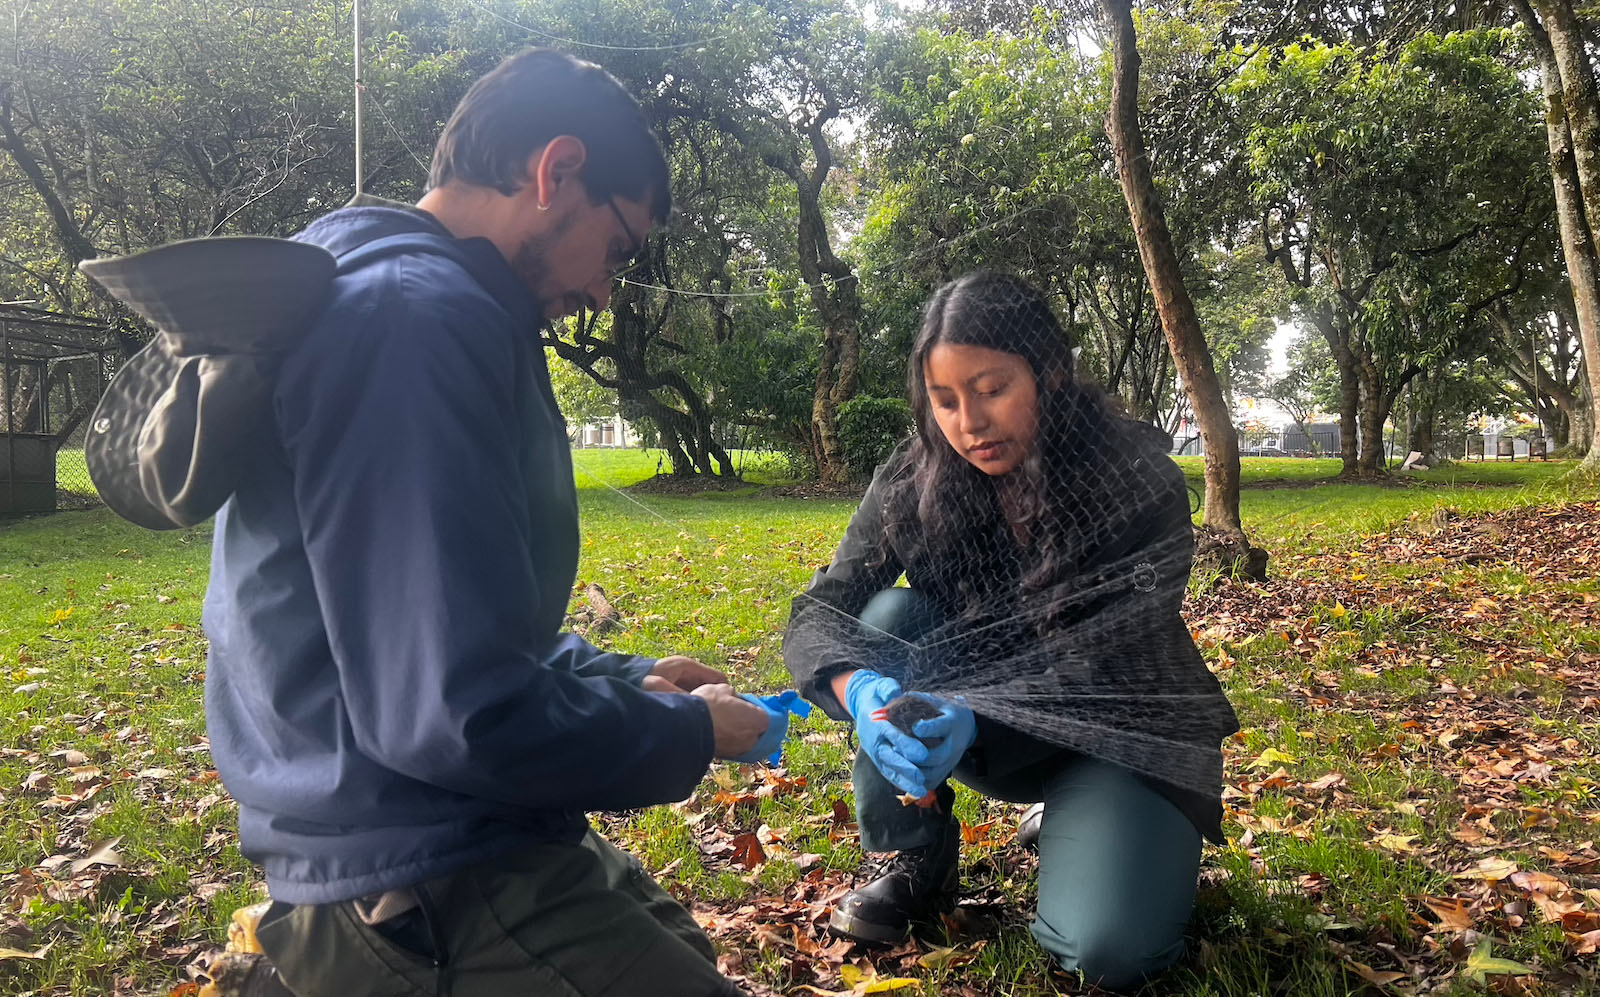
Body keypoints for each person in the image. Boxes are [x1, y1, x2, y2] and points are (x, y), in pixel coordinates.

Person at [96, 49, 772, 996]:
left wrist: (627, 677)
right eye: (618, 249)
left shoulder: (421, 294)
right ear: (557, 170)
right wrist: (685, 734)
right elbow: (454, 713)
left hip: (448, 824)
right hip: (415, 867)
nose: (607, 289)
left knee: (680, 948)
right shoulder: (415, 323)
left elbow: (453, 625)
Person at [783, 271, 1239, 991]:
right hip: (985, 731)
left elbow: (1112, 652)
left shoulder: (1135, 479)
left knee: (1107, 949)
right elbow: (822, 611)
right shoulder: (912, 479)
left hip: (1119, 732)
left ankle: (1086, 822)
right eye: (944, 401)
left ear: (1051, 374)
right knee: (883, 621)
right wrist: (858, 688)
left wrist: (977, 714)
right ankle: (914, 857)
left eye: (992, 388)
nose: (969, 421)